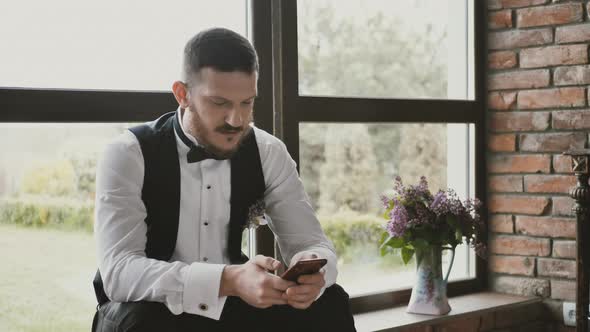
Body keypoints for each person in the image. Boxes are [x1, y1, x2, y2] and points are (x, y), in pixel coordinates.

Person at [91, 27, 356, 332]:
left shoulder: (268, 151)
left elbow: (310, 241)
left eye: (247, 103)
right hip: (147, 310)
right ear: (183, 94)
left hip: (232, 306)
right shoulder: (127, 153)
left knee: (330, 301)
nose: (237, 120)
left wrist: (314, 273)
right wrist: (228, 280)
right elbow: (119, 273)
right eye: (220, 103)